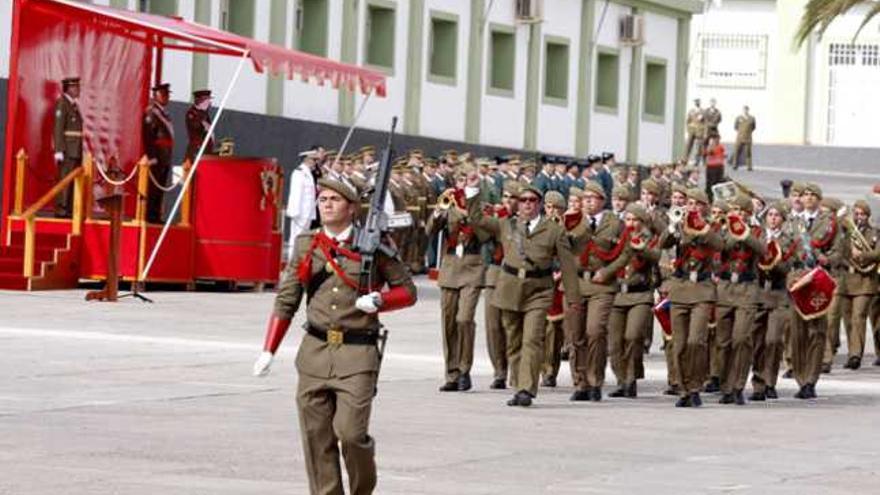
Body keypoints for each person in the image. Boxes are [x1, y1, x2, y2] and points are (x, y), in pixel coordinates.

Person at [252, 178, 417, 495]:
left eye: (335, 199)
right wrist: (268, 350)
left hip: (357, 355)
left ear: (352, 207)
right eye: (322, 199)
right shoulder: (306, 245)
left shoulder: (375, 246)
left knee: (351, 434)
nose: (326, 204)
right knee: (316, 437)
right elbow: (287, 299)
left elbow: (407, 291)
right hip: (314, 353)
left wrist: (381, 300)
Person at [468, 182, 581, 407]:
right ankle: (519, 382)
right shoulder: (507, 225)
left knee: (532, 339)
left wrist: (574, 297)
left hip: (538, 290)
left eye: (532, 201)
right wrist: (472, 193)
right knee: (514, 340)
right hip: (510, 288)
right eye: (523, 200)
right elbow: (477, 220)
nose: (527, 204)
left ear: (539, 204)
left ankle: (526, 389)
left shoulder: (554, 230)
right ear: (518, 204)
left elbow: (568, 265)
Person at [565, 182, 631, 401]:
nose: (588, 202)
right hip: (576, 283)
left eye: (592, 198)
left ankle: (595, 380)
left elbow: (625, 252)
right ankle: (580, 383)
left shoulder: (615, 222)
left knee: (595, 331)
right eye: (585, 198)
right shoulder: (574, 221)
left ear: (602, 200)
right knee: (576, 335)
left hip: (602, 285)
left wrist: (609, 271)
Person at [661, 188, 723, 407]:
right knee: (679, 344)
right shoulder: (679, 224)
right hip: (680, 287)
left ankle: (695, 386)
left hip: (702, 289)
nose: (692, 207)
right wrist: (673, 225)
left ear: (705, 206)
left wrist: (700, 226)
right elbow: (663, 244)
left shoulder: (713, 226)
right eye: (690, 203)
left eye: (697, 203)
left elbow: (719, 244)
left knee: (695, 341)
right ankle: (684, 388)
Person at [426, 166, 486, 392]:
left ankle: (464, 369)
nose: (463, 182)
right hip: (451, 266)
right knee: (449, 320)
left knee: (464, 319)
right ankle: (451, 373)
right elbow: (430, 230)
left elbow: (485, 234)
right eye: (460, 178)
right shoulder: (449, 202)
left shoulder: (480, 203)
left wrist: (468, 210)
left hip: (472, 265)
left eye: (469, 178)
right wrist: (439, 212)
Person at [787, 183, 839, 399]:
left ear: (819, 199)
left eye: (812, 195)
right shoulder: (793, 222)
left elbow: (838, 252)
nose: (807, 198)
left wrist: (829, 259)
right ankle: (800, 377)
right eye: (805, 195)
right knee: (797, 334)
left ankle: (811, 380)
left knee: (817, 333)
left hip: (818, 279)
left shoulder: (829, 224)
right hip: (798, 279)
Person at [713, 195, 765, 405]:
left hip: (747, 289)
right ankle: (725, 386)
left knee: (741, 339)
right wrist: (732, 232)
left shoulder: (756, 231)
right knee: (723, 341)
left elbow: (762, 251)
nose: (736, 213)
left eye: (740, 210)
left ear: (748, 213)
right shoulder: (722, 229)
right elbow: (718, 249)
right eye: (733, 209)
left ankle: (737, 386)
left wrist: (744, 233)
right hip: (725, 288)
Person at [608, 204, 660, 398]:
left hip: (640, 295)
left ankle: (631, 379)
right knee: (614, 343)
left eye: (635, 220)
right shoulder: (619, 239)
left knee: (632, 336)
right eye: (628, 220)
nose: (631, 224)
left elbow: (655, 256)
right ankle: (621, 380)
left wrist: (641, 248)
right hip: (618, 294)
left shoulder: (649, 239)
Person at [751, 201, 796, 401]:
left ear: (783, 220)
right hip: (759, 294)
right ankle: (758, 384)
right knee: (757, 341)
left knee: (773, 340)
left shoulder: (789, 241)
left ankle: (770, 382)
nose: (773, 218)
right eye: (770, 215)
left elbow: (788, 267)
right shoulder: (757, 237)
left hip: (778, 295)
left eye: (777, 215)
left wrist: (773, 261)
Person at [482, 182, 521, 389]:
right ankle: (499, 370)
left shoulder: (524, 221)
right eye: (505, 196)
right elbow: (481, 228)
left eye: (512, 197)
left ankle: (516, 371)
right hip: (496, 272)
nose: (507, 201)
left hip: (516, 275)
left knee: (512, 326)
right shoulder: (498, 219)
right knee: (493, 325)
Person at [839, 200, 879, 369]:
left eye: (862, 214)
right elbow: (839, 250)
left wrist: (862, 255)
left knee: (858, 317)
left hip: (865, 281)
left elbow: (878, 252)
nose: (858, 217)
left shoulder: (874, 232)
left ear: (867, 216)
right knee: (848, 320)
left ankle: (856, 355)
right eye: (856, 214)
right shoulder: (846, 232)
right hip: (847, 280)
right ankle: (852, 351)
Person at [142, 83, 174, 224]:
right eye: (164, 94)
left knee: (160, 188)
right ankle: (150, 216)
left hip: (165, 155)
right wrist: (152, 156)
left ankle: (156, 216)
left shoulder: (163, 113)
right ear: (156, 96)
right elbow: (148, 136)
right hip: (157, 156)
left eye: (168, 94)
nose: (167, 97)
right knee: (153, 188)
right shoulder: (151, 112)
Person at [53, 76, 83, 218]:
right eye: (75, 87)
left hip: (75, 149)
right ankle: (61, 208)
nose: (78, 89)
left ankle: (69, 208)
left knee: (71, 180)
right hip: (67, 149)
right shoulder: (62, 103)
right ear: (68, 88)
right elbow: (58, 128)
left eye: (78, 87)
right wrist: (59, 149)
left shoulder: (73, 105)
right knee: (64, 179)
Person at [285, 149, 320, 261]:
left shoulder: (308, 173)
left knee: (304, 239)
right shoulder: (299, 173)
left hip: (308, 213)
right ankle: (292, 260)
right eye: (314, 159)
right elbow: (296, 193)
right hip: (300, 213)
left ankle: (300, 260)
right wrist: (294, 212)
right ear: (307, 159)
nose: (316, 162)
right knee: (296, 237)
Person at [185, 89, 214, 163]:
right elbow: (196, 126)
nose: (209, 103)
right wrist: (202, 114)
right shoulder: (192, 113)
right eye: (207, 100)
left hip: (206, 151)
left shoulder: (204, 114)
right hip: (197, 151)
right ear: (200, 101)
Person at [732, 106, 756, 171]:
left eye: (747, 110)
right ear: (742, 110)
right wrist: (741, 132)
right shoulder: (738, 118)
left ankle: (749, 166)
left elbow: (753, 127)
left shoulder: (752, 118)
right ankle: (735, 165)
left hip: (748, 138)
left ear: (748, 110)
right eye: (744, 110)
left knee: (748, 152)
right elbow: (735, 127)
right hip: (739, 137)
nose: (745, 111)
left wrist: (748, 132)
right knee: (737, 151)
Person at [704, 136, 726, 201]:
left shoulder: (720, 147)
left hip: (719, 166)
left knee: (719, 183)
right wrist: (710, 147)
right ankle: (709, 198)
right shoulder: (709, 147)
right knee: (710, 183)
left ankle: (718, 198)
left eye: (718, 139)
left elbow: (722, 154)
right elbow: (707, 152)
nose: (716, 141)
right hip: (711, 167)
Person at [684, 98, 704, 163]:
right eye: (696, 102)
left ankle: (697, 159)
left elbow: (705, 122)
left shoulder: (703, 111)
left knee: (699, 146)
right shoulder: (691, 111)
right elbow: (688, 121)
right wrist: (688, 128)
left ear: (700, 102)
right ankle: (685, 158)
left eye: (698, 101)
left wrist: (703, 130)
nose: (697, 103)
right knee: (688, 144)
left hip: (699, 130)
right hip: (692, 130)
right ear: (694, 103)